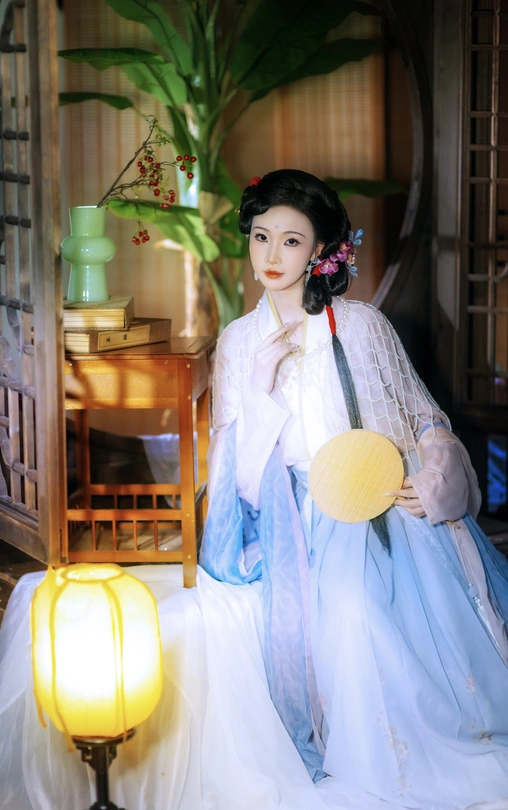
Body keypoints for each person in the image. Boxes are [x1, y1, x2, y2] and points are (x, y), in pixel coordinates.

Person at [200, 169, 508, 809]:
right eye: (261, 237)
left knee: (365, 611)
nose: (271, 255)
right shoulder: (238, 343)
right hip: (293, 514)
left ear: (319, 250)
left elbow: (424, 419)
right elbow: (238, 482)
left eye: (291, 240)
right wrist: (259, 389)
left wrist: (435, 476)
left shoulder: (361, 325)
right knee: (341, 612)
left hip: (381, 501)